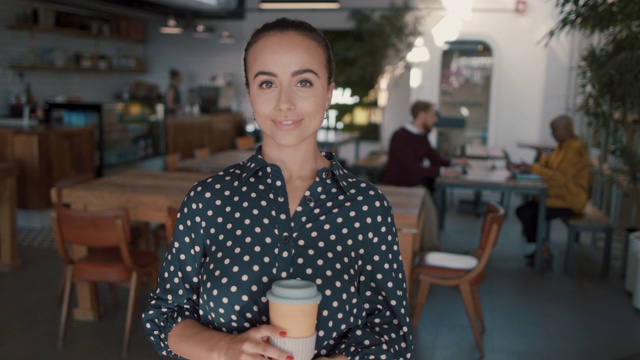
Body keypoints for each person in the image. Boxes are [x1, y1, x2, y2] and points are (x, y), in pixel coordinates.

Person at [142, 18, 413, 360]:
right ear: (250, 95)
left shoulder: (368, 208)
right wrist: (227, 348)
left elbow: (391, 332)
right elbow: (165, 316)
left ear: (328, 92)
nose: (285, 102)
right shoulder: (207, 200)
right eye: (267, 84)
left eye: (303, 82)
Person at [515, 113, 589, 267]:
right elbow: (549, 168)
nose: (553, 134)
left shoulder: (575, 149)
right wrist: (533, 166)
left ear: (566, 129)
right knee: (526, 210)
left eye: (555, 131)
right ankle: (542, 248)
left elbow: (560, 178)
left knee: (528, 213)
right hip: (556, 196)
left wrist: (534, 168)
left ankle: (543, 251)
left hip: (569, 201)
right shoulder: (561, 148)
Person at [383, 100, 468, 192]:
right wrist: (442, 171)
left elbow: (435, 159)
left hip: (414, 186)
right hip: (400, 189)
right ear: (421, 115)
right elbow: (413, 168)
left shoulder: (421, 136)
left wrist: (454, 162)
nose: (435, 119)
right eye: (432, 115)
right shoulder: (400, 137)